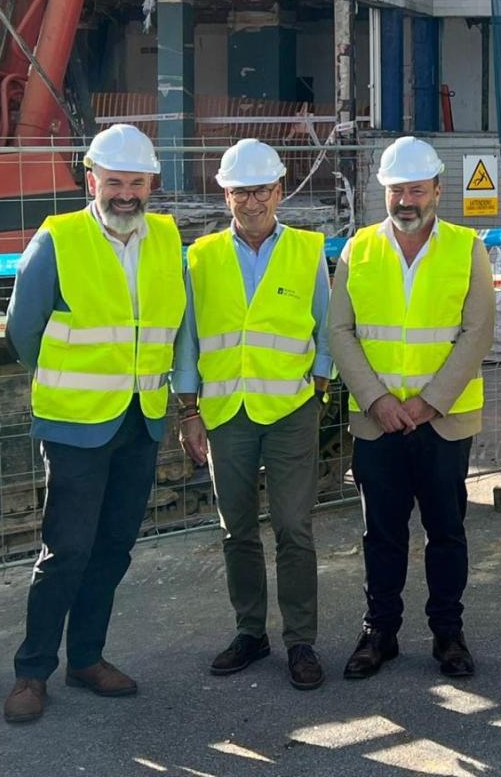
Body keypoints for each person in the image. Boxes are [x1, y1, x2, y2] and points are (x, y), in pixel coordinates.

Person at [1, 125, 189, 724]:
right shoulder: (58, 237)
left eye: (137, 183)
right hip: (76, 423)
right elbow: (20, 331)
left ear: (151, 184)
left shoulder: (165, 236)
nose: (127, 194)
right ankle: (32, 672)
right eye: (115, 182)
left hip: (140, 419)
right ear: (92, 181)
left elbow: (172, 323)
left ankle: (86, 658)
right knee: (66, 550)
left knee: (112, 548)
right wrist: (67, 378)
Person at [329, 136, 494, 681]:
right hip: (378, 423)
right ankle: (380, 632)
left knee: (446, 532)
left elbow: (477, 333)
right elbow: (340, 331)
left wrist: (428, 402)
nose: (406, 200)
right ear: (384, 193)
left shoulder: (467, 248)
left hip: (442, 422)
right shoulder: (359, 249)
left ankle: (449, 634)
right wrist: (376, 400)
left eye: (416, 190)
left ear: (438, 191)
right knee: (381, 533)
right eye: (397, 190)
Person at [172, 139, 331, 689]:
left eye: (261, 190)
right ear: (226, 195)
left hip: (289, 408)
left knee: (293, 527)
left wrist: (318, 386)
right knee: (236, 527)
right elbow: (188, 337)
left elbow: (324, 326)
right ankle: (250, 631)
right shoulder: (201, 256)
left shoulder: (309, 251)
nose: (252, 201)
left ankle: (301, 640)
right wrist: (188, 409)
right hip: (225, 411)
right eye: (241, 191)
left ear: (280, 191)